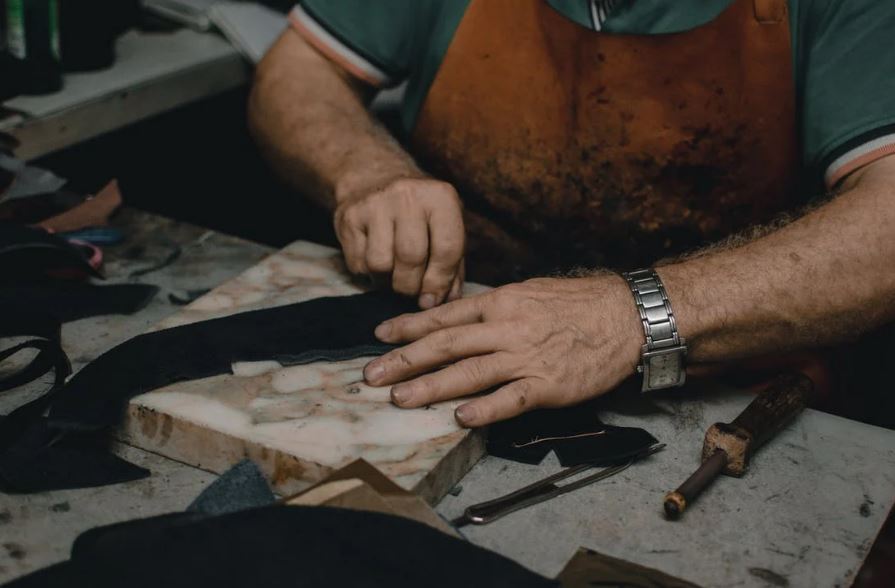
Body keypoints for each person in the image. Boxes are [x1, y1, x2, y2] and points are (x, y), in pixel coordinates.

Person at [249, 0, 895, 428]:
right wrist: (365, 169)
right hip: (451, 322)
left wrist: (632, 316)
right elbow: (299, 69)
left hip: (713, 374)